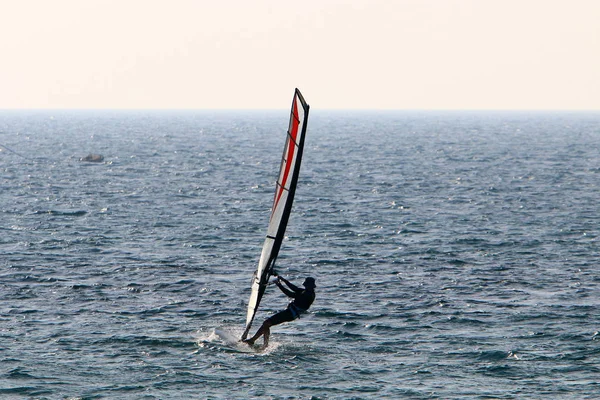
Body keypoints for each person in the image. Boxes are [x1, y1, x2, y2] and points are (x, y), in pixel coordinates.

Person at [243, 275, 316, 348]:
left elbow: (290, 294)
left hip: (290, 314)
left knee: (267, 323)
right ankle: (253, 340)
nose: (305, 286)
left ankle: (264, 345)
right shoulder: (306, 291)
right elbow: (294, 288)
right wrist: (284, 280)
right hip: (290, 313)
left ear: (310, 286)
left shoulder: (308, 294)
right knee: (266, 323)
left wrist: (279, 284)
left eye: (307, 285)